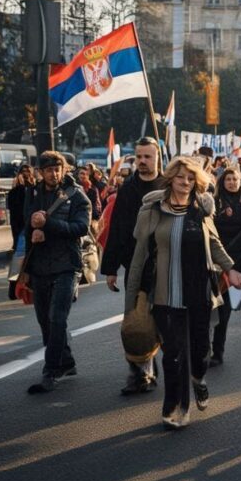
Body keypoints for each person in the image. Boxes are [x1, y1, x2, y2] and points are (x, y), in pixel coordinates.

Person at [125, 157, 241, 429]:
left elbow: (213, 243)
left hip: (198, 291)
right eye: (180, 177)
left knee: (200, 351)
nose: (186, 182)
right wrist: (131, 301)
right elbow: (139, 252)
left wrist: (231, 269)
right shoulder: (153, 208)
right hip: (165, 294)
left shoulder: (200, 209)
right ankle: (175, 406)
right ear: (170, 179)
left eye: (191, 179)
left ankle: (199, 380)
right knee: (173, 353)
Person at [22, 152, 92, 394]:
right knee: (45, 321)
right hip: (40, 265)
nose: (54, 173)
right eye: (49, 169)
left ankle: (50, 371)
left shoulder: (76, 195)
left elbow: (81, 228)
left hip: (67, 265)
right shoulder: (31, 194)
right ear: (41, 171)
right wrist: (24, 269)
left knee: (57, 317)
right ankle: (67, 362)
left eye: (58, 169)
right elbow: (22, 227)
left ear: (64, 170)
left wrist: (47, 225)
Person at [100, 136, 164, 395]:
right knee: (135, 323)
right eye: (139, 157)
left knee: (162, 322)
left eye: (148, 156)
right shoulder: (127, 189)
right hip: (137, 268)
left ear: (157, 157)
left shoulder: (169, 186)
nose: (143, 162)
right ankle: (140, 374)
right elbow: (117, 230)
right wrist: (111, 268)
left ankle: (157, 364)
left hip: (165, 267)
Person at [211, 165, 241, 360]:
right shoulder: (215, 203)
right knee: (223, 311)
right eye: (228, 179)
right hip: (224, 263)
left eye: (235, 179)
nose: (231, 182)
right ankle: (218, 353)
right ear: (223, 182)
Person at [7, 164, 36, 245]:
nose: (25, 173)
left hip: (29, 211)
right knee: (17, 230)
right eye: (23, 171)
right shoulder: (17, 182)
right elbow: (12, 195)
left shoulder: (34, 183)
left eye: (27, 171)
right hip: (17, 211)